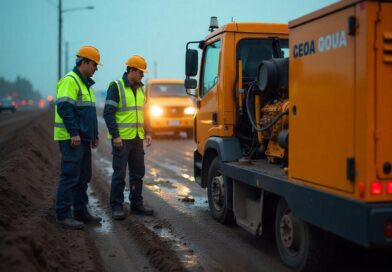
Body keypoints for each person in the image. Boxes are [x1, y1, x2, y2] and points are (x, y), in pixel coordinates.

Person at [54, 45, 102, 229]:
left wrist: (94, 134)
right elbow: (65, 109)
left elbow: (89, 113)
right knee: (70, 176)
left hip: (83, 138)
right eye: (94, 65)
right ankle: (63, 214)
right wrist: (74, 133)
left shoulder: (86, 84)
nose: (96, 69)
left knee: (84, 176)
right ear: (84, 62)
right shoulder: (70, 80)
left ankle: (80, 211)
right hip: (71, 138)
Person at [103, 55, 153, 220]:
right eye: (140, 72)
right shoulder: (116, 87)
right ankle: (116, 206)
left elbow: (146, 112)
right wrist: (116, 136)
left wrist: (148, 132)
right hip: (122, 140)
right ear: (131, 70)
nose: (142, 75)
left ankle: (136, 204)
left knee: (138, 173)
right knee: (119, 173)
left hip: (137, 138)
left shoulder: (141, 88)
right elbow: (108, 113)